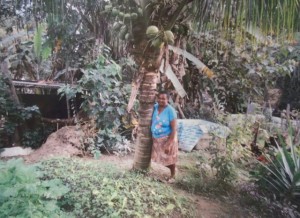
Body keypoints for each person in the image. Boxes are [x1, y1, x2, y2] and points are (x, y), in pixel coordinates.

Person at [151, 90, 178, 183]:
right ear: (157, 99)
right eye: (160, 98)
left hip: (167, 138)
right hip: (157, 139)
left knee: (169, 159)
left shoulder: (170, 111)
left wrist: (169, 144)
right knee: (160, 158)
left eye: (164, 99)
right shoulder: (155, 107)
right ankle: (171, 174)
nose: (161, 100)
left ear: (168, 99)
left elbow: (174, 129)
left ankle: (173, 175)